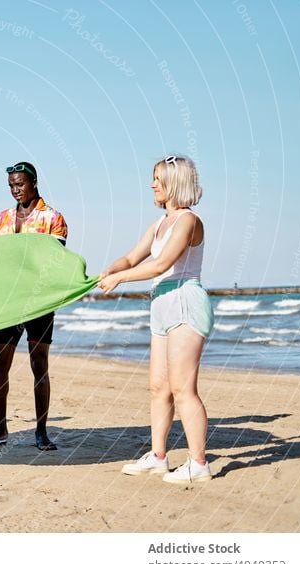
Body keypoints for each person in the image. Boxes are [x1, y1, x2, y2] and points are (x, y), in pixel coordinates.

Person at [99, 155, 214, 484]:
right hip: (161, 302)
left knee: (182, 388)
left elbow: (162, 263)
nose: (152, 184)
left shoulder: (189, 221)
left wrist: (121, 280)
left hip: (184, 301)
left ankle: (199, 463)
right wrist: (109, 271)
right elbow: (133, 257)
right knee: (158, 387)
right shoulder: (159, 224)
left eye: (158, 179)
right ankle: (159, 457)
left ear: (174, 184)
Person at [0, 161, 68, 451]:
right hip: (6, 301)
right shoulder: (1, 219)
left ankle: (41, 432)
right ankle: (0, 428)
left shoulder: (53, 218)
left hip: (39, 301)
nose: (16, 190)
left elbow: (53, 261)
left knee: (38, 364)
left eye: (20, 184)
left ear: (34, 182)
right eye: (11, 186)